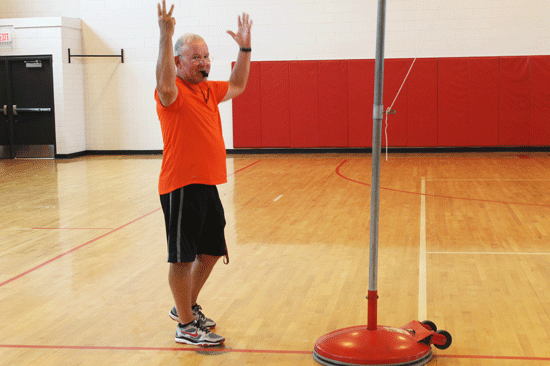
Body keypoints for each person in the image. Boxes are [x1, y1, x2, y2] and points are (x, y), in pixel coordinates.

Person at [155, 0, 252, 346]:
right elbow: (165, 84)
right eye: (195, 57)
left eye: (206, 56)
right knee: (181, 258)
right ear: (179, 62)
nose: (204, 62)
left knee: (211, 249)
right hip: (181, 185)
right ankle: (185, 326)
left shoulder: (209, 90)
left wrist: (244, 48)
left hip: (207, 184)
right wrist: (165, 36)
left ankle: (184, 307)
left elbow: (238, 84)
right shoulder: (173, 93)